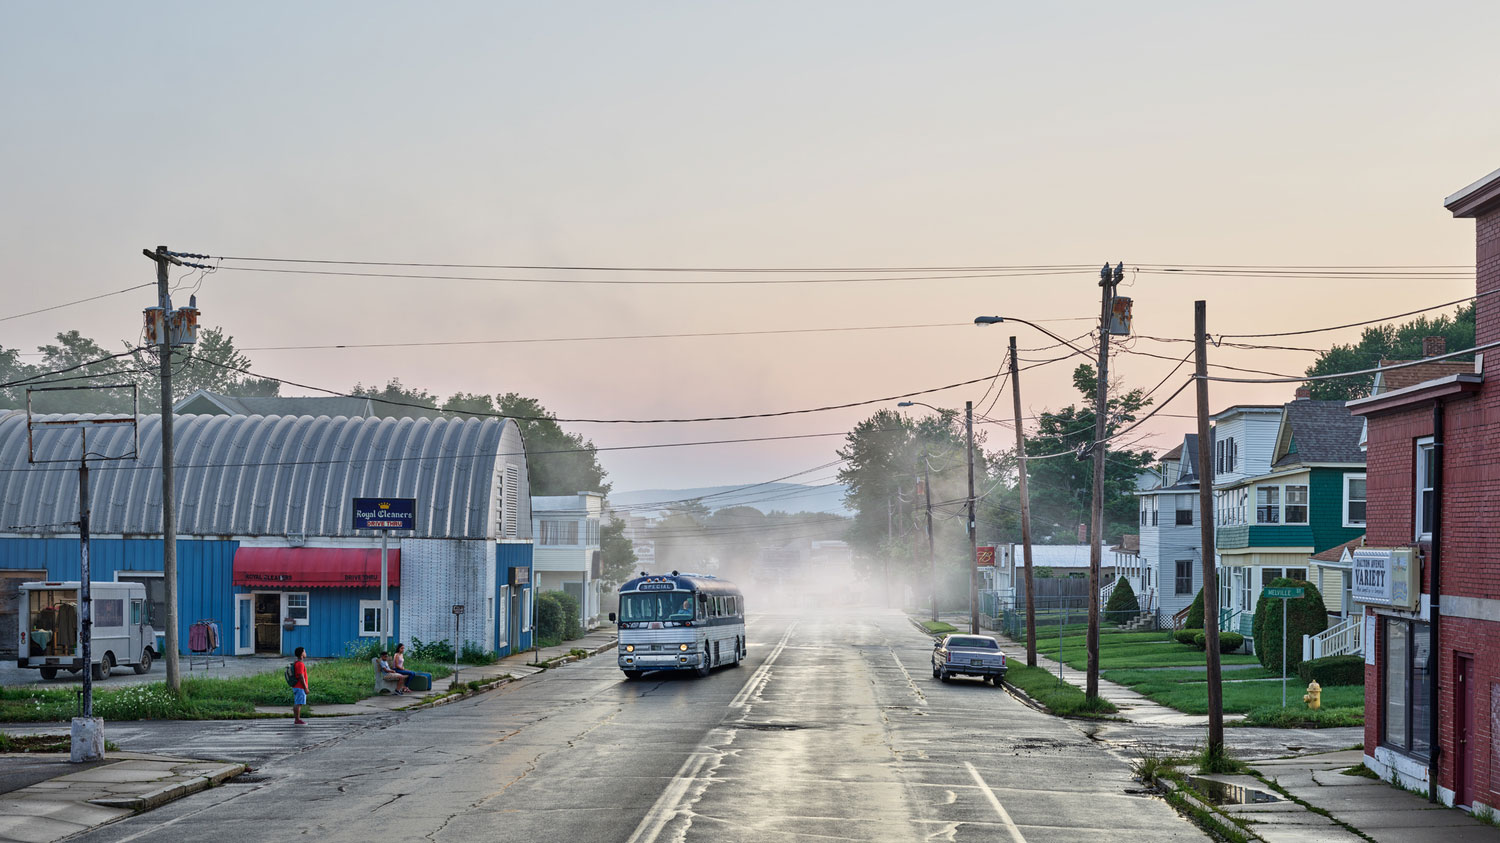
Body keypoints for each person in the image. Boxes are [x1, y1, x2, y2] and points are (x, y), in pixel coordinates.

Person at [291, 646, 310, 725]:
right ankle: (297, 720)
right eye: (304, 651)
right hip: (300, 687)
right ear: (302, 654)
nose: (306, 653)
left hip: (297, 686)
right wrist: (305, 688)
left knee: (298, 703)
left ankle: (297, 719)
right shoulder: (300, 664)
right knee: (298, 704)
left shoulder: (297, 663)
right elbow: (301, 677)